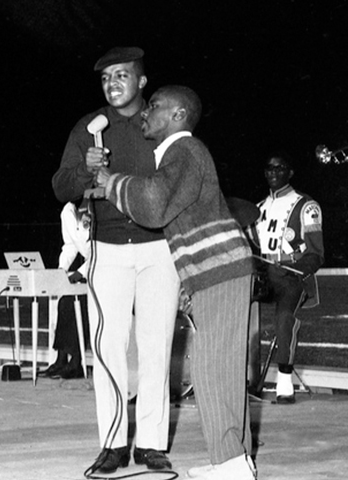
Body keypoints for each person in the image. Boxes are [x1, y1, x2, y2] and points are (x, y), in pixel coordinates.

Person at [96, 85, 257, 479]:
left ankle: (231, 467)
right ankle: (236, 460)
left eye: (154, 106)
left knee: (211, 370)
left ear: (179, 116)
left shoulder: (184, 150)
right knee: (222, 370)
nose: (145, 113)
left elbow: (152, 205)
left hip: (220, 272)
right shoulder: (179, 155)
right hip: (213, 274)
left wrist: (110, 181)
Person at [52, 47, 180, 474]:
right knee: (107, 347)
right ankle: (112, 443)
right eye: (106, 78)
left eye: (122, 75)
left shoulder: (159, 123)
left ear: (142, 81)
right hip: (106, 248)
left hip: (158, 247)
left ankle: (151, 444)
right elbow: (60, 187)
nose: (112, 84)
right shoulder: (89, 128)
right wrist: (85, 170)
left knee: (156, 345)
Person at [248, 152, 324, 404]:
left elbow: (316, 254)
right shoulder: (257, 208)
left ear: (290, 173)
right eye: (269, 168)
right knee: (236, 308)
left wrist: (299, 270)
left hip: (292, 276)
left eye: (279, 168)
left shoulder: (306, 205)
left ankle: (284, 380)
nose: (272, 172)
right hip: (264, 274)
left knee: (284, 317)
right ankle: (245, 377)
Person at [41, 201, 91, 380]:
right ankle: (61, 359)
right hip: (87, 268)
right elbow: (70, 245)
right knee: (65, 301)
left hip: (103, 266)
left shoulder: (96, 206)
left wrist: (79, 273)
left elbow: (100, 249)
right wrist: (61, 271)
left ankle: (76, 362)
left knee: (80, 302)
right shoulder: (68, 211)